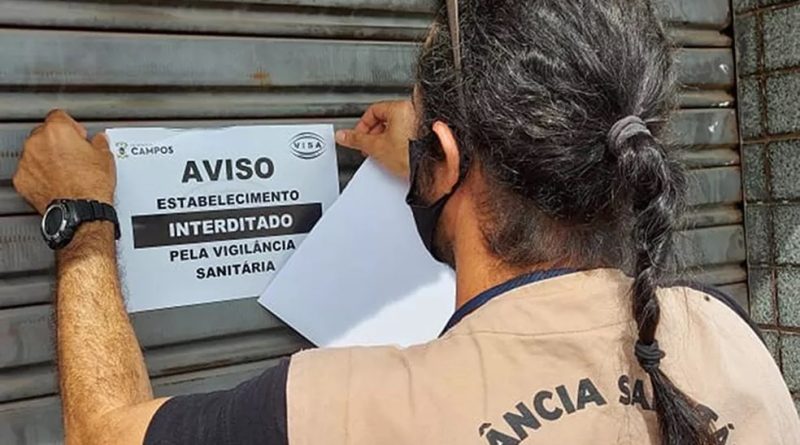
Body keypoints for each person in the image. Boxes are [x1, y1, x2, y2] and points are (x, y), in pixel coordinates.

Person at [12, 0, 800, 444]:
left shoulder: (349, 413)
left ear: (446, 160)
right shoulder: (725, 332)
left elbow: (104, 432)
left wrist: (83, 219)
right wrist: (437, 154)